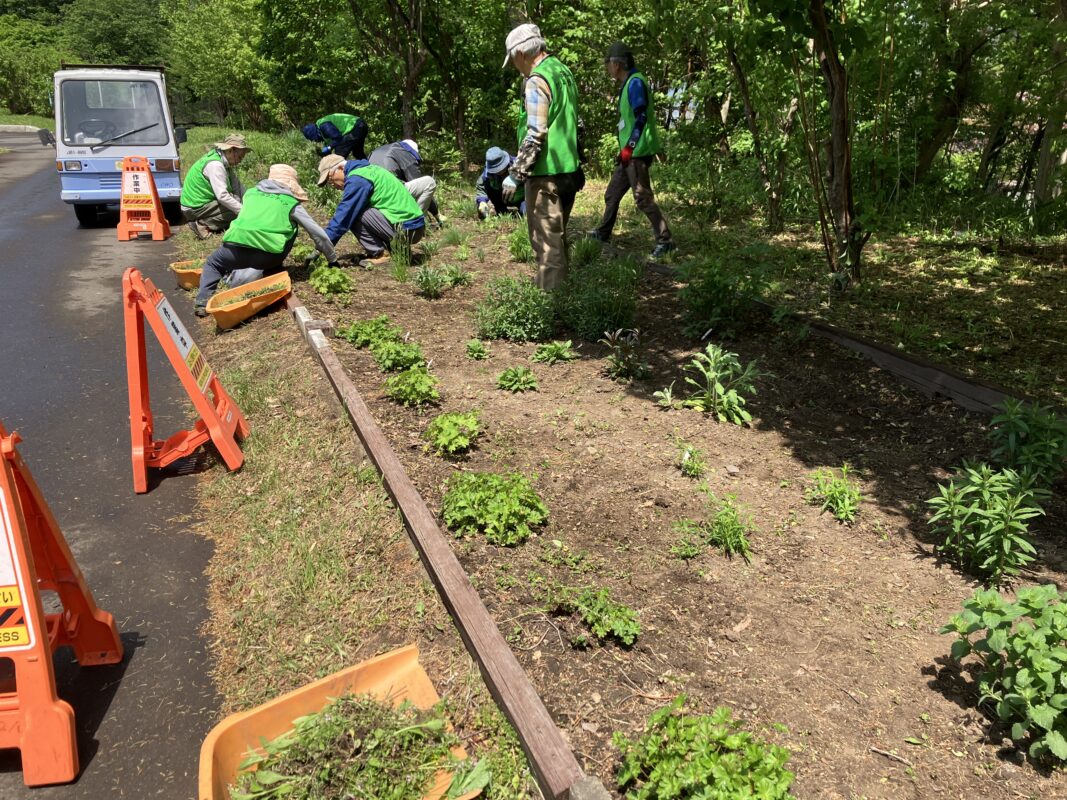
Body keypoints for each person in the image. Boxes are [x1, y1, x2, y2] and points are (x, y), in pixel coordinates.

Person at [501, 23, 584, 291]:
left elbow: (536, 133)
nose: (516, 67)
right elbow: (577, 124)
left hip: (545, 175)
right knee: (557, 242)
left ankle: (550, 310)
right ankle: (562, 295)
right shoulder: (562, 71)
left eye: (513, 60)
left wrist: (515, 174)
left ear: (520, 54)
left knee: (547, 246)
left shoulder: (537, 79)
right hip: (569, 170)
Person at [194, 164, 337, 316]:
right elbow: (317, 233)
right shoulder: (290, 203)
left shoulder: (250, 194)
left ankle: (202, 302)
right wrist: (332, 259)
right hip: (269, 256)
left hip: (233, 248)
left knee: (213, 263)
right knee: (292, 227)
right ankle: (269, 269)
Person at [590, 42, 674, 261]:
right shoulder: (628, 83)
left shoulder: (635, 83)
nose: (607, 67)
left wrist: (630, 147)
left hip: (636, 153)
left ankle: (666, 241)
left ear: (617, 64)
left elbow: (641, 118)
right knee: (612, 193)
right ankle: (603, 233)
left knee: (642, 197)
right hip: (628, 154)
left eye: (608, 62)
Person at [317, 153, 426, 266]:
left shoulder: (358, 179)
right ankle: (398, 251)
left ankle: (382, 254)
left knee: (354, 213)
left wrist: (324, 244)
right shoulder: (369, 169)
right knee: (356, 209)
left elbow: (344, 215)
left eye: (330, 179)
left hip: (407, 229)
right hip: (414, 227)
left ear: (340, 168)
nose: (332, 185)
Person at [180, 133, 250, 239]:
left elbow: (238, 187)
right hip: (193, 207)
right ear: (231, 150)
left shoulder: (224, 160)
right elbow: (222, 196)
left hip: (201, 204)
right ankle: (202, 224)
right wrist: (244, 212)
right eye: (240, 156)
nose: (241, 161)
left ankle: (214, 223)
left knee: (238, 201)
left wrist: (252, 202)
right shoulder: (216, 165)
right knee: (236, 209)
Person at [368, 138, 443, 226]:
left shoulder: (378, 150)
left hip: (372, 196)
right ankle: (415, 223)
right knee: (429, 182)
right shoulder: (405, 154)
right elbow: (419, 184)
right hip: (390, 194)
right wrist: (436, 213)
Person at [475, 146, 525, 219]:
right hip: (500, 200)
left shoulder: (519, 165)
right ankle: (501, 210)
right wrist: (482, 201)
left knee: (526, 212)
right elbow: (481, 187)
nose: (499, 171)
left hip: (522, 198)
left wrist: (516, 179)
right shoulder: (487, 174)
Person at [301, 113, 369, 159]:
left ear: (314, 134)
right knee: (358, 153)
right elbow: (332, 143)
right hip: (360, 126)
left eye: (314, 139)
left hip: (356, 126)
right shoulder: (322, 131)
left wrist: (329, 148)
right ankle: (369, 170)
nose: (316, 141)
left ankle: (341, 178)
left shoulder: (324, 125)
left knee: (339, 154)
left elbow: (337, 138)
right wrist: (324, 153)